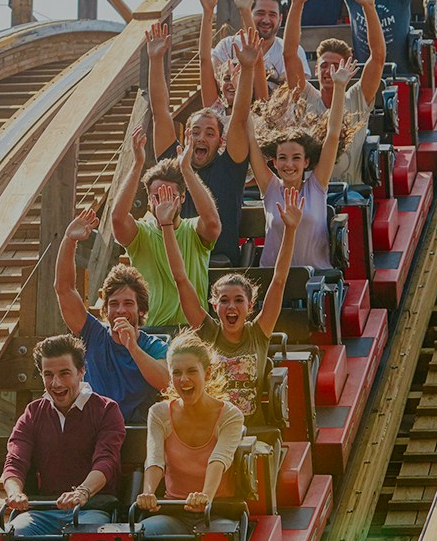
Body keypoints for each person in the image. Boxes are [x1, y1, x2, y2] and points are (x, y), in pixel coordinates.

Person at [1, 334, 126, 541]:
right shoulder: (34, 412)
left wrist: (82, 492)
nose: (56, 383)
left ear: (82, 372)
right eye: (48, 374)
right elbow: (15, 459)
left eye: (64, 373)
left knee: (87, 539)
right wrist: (15, 493)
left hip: (92, 509)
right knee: (16, 533)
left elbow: (106, 462)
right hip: (47, 511)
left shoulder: (106, 410)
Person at [133, 333, 247, 541]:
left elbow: (219, 459)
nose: (184, 380)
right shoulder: (159, 413)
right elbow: (155, 458)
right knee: (141, 534)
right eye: (177, 373)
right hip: (176, 512)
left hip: (216, 510)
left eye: (191, 372)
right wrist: (147, 491)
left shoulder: (230, 416)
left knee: (220, 538)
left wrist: (205, 497)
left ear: (206, 374)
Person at [163, 184, 304, 422]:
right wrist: (166, 226)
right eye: (224, 301)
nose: (231, 307)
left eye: (239, 300)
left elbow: (279, 280)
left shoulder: (258, 333)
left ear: (250, 307)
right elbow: (181, 279)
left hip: (251, 431)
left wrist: (290, 230)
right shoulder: (208, 333)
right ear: (214, 305)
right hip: (213, 429)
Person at [237, 27, 344, 270]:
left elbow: (333, 134)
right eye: (283, 158)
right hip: (274, 281)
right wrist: (247, 70)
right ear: (273, 162)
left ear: (306, 162)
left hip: (316, 282)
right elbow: (252, 138)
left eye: (296, 158)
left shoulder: (317, 187)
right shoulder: (271, 188)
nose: (289, 164)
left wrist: (338, 88)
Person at [147, 21, 250, 269]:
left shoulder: (230, 166)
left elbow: (239, 118)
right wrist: (155, 59)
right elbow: (160, 113)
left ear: (220, 140)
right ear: (186, 138)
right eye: (195, 132)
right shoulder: (173, 161)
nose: (201, 138)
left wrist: (247, 69)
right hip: (175, 260)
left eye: (209, 133)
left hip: (218, 264)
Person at [55, 207, 170, 425]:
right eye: (114, 304)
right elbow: (64, 289)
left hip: (136, 430)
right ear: (105, 309)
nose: (120, 310)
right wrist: (69, 241)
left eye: (128, 304)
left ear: (141, 310)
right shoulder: (93, 334)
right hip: (94, 426)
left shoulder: (154, 346)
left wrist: (133, 348)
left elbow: (166, 382)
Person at [110, 124, 221, 327]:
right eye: (158, 196)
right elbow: (117, 219)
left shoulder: (192, 229)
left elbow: (212, 222)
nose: (165, 202)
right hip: (151, 330)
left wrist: (186, 170)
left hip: (191, 329)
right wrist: (137, 164)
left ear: (182, 197)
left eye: (171, 196)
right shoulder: (142, 233)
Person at [283, 0, 384, 183]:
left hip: (352, 196)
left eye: (336, 66)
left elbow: (378, 57)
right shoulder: (307, 98)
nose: (330, 71)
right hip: (312, 196)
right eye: (324, 66)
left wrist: (369, 7)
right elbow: (289, 54)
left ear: (348, 68)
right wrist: (296, 4)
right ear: (317, 70)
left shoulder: (357, 98)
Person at [196, 0, 273, 113]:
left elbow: (258, 60)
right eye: (226, 78)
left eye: (237, 75)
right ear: (219, 84)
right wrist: (207, 11)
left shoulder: (259, 108)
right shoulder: (216, 111)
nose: (231, 82)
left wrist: (246, 12)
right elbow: (204, 59)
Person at [209, 0, 300, 86]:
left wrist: (298, 3)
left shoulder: (294, 51)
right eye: (260, 13)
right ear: (250, 14)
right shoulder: (227, 45)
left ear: (280, 19)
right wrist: (208, 11)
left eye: (272, 15)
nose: (266, 20)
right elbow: (211, 77)